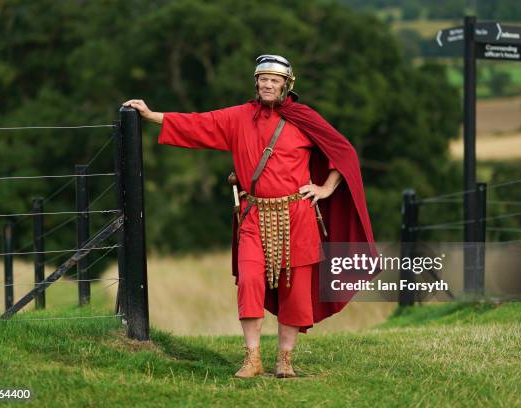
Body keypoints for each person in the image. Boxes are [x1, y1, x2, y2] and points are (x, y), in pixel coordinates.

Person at [123, 54, 376, 379]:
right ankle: (252, 357)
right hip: (254, 216)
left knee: (295, 292)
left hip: (297, 217)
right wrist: (150, 115)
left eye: (275, 80)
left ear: (286, 85)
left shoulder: (303, 118)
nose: (268, 85)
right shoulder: (238, 117)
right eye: (263, 79)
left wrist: (325, 189)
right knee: (250, 282)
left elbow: (343, 152)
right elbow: (198, 123)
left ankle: (284, 360)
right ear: (256, 83)